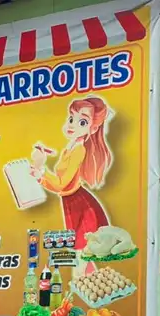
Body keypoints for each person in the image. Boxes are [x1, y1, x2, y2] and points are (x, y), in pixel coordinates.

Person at [30, 96, 114, 251]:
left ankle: (88, 275)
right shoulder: (71, 147)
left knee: (82, 250)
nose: (72, 125)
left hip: (79, 205)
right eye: (71, 119)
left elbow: (62, 185)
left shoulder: (78, 151)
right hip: (71, 201)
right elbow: (60, 184)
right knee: (80, 251)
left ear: (93, 128)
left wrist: (41, 171)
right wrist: (40, 175)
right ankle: (85, 275)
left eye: (82, 122)